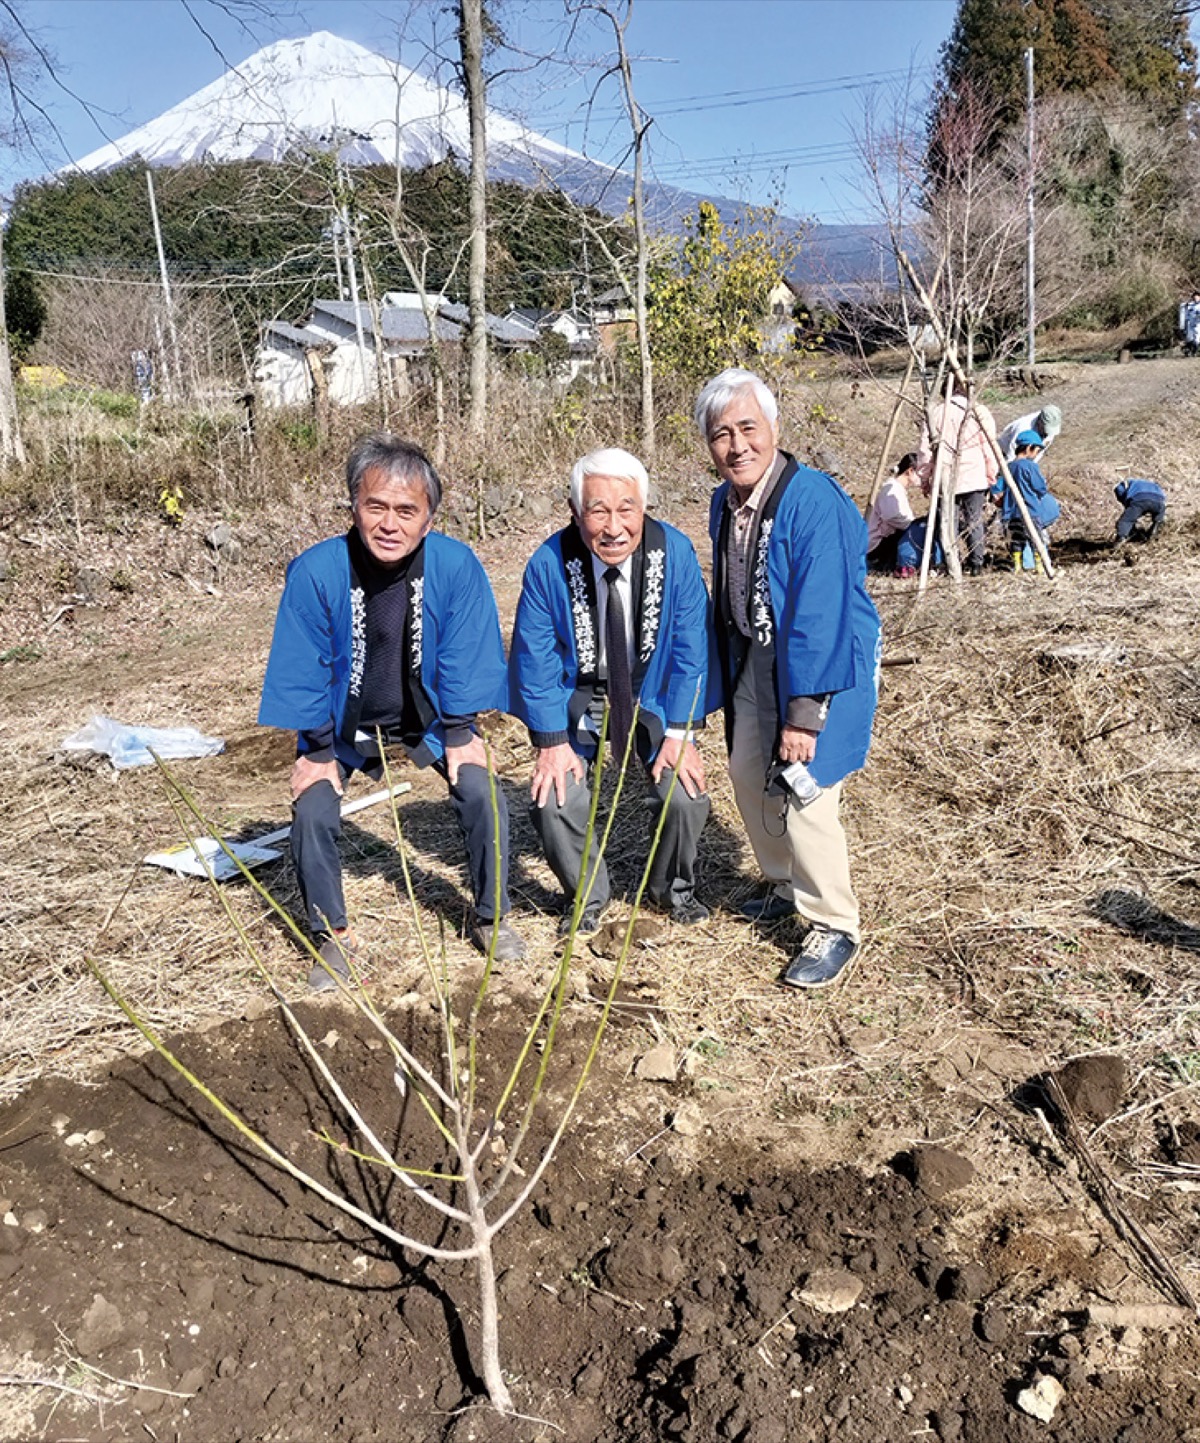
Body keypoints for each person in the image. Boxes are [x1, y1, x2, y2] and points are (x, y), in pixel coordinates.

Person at [259, 434, 526, 991]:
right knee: (311, 811)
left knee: (483, 793)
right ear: (353, 506)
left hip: (426, 715)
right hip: (341, 722)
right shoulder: (316, 572)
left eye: (407, 510)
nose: (389, 523)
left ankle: (490, 914)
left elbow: (466, 651)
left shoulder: (455, 567)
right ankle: (332, 934)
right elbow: (305, 665)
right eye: (375, 505)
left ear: (429, 519)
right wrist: (318, 749)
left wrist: (458, 732)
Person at [697, 368, 880, 990]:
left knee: (805, 786)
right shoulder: (726, 501)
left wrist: (805, 714)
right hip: (758, 656)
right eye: (721, 434)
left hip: (819, 664)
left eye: (749, 427)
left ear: (774, 427)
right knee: (748, 769)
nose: (737, 445)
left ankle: (834, 923)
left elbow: (821, 611)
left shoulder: (813, 501)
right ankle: (781, 881)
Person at [510, 447, 711, 934]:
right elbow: (534, 658)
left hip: (652, 694)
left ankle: (671, 889)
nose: (614, 526)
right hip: (580, 694)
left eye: (627, 508)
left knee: (683, 795)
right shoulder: (549, 564)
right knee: (554, 800)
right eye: (598, 510)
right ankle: (587, 897)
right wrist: (552, 743)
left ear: (644, 508)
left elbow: (690, 648)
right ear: (576, 514)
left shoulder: (674, 554)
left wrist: (681, 732)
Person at [916, 383, 997, 576]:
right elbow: (989, 445)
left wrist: (925, 476)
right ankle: (977, 564)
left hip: (944, 474)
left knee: (947, 521)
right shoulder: (978, 411)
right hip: (974, 473)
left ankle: (952, 563)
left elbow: (925, 450)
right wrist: (991, 473)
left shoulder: (936, 413)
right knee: (974, 520)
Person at [989, 429, 1060, 573]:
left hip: (1012, 512)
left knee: (1017, 539)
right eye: (1037, 450)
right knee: (1036, 539)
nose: (1036, 454)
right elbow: (1040, 487)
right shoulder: (1030, 466)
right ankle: (1040, 567)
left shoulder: (1008, 467)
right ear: (1029, 448)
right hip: (1031, 510)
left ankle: (1017, 566)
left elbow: (997, 488)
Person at [865, 452, 920, 575]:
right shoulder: (891, 489)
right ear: (910, 471)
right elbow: (891, 517)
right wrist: (913, 524)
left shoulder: (897, 489)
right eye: (919, 472)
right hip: (878, 544)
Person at [997, 403, 1062, 462]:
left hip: (1026, 456)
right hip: (1003, 453)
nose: (1048, 433)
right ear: (1040, 422)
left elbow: (1040, 451)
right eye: (1045, 429)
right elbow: (1011, 454)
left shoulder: (1052, 426)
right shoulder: (1023, 427)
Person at [1114, 477, 1166, 542]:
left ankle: (1120, 541)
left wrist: (1126, 504)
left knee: (1125, 521)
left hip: (1140, 500)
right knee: (1159, 520)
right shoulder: (1153, 485)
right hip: (1159, 502)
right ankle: (1153, 533)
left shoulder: (1124, 484)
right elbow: (1162, 497)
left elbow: (1119, 490)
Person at [1180, 292, 1200, 357]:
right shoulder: (1191, 305)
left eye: (1197, 297)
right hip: (1190, 324)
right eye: (1194, 297)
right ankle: (1189, 351)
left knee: (1197, 340)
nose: (1195, 298)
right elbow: (1183, 306)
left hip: (1198, 324)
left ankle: (1194, 352)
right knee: (1189, 339)